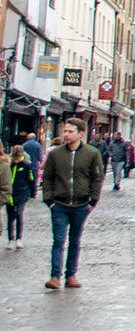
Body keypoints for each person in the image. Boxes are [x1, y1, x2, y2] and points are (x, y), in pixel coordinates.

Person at [41, 118, 104, 289]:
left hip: (81, 205)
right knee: (58, 240)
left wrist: (93, 201)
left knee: (75, 241)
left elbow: (97, 178)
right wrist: (49, 200)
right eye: (65, 131)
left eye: (70, 132)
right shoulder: (56, 154)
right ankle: (55, 277)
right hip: (59, 204)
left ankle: (71, 275)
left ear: (80, 134)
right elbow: (47, 177)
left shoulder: (91, 153)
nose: (66, 135)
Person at [7, 144, 36, 248]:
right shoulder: (8, 164)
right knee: (10, 216)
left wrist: (33, 192)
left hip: (22, 192)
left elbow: (31, 179)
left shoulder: (26, 165)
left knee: (19, 214)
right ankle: (10, 239)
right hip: (10, 193)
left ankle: (19, 238)